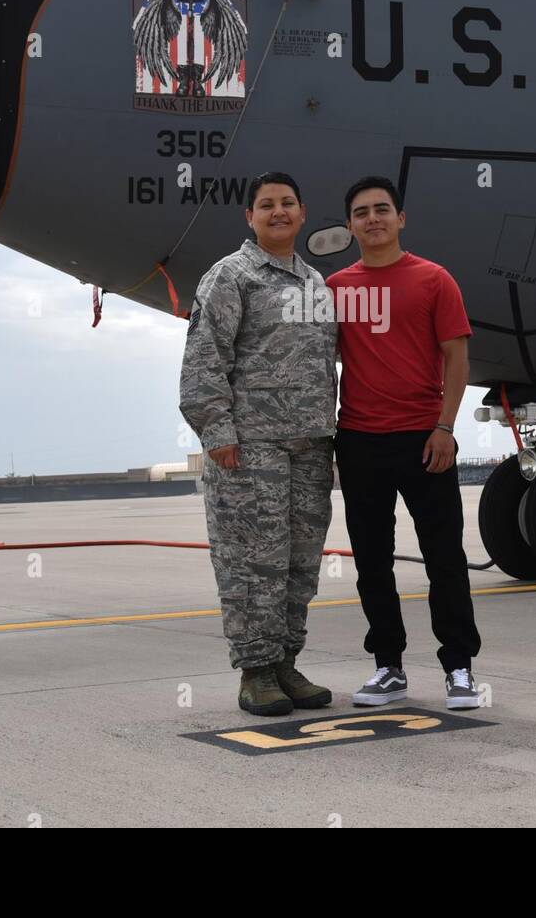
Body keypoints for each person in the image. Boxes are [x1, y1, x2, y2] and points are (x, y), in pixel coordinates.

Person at [179, 172, 338, 716]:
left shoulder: (316, 283)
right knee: (253, 560)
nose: (278, 212)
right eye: (266, 204)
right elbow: (204, 360)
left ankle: (285, 662)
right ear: (249, 216)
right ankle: (255, 672)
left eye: (287, 203)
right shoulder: (231, 276)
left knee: (298, 563)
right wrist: (218, 434)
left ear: (302, 212)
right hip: (251, 450)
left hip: (311, 449)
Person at [326, 176, 483, 710]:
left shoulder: (435, 280)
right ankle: (388, 667)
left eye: (382, 209)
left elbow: (457, 358)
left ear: (401, 218)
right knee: (372, 562)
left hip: (424, 439)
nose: (373, 219)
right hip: (360, 441)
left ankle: (459, 668)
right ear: (349, 226)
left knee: (445, 559)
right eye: (362, 212)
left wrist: (445, 427)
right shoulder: (335, 288)